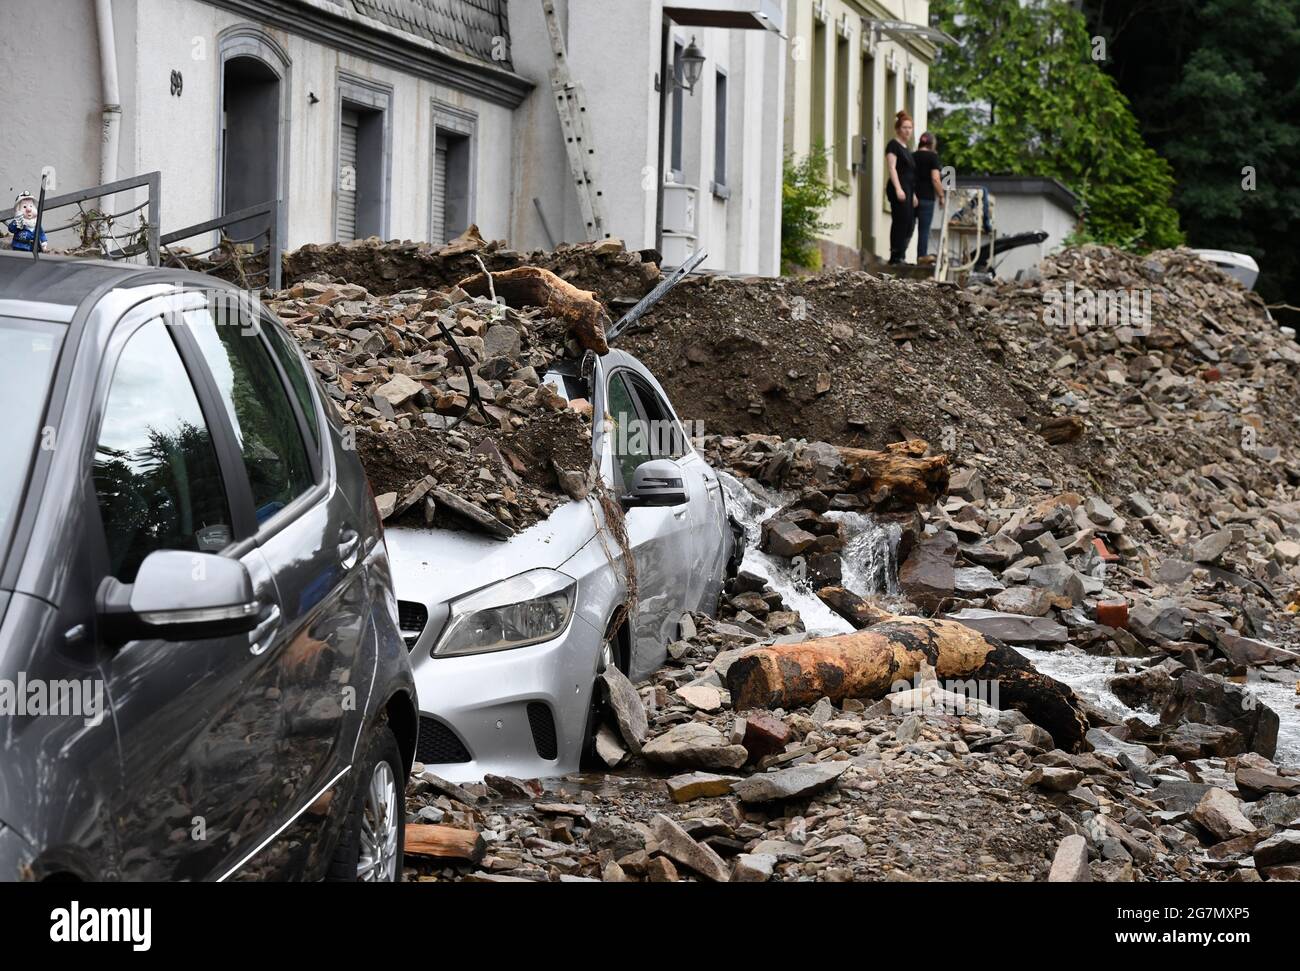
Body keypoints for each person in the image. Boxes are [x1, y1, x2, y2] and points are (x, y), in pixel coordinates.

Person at [885, 111, 917, 264]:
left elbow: (910, 173)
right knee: (900, 220)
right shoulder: (893, 145)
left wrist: (914, 194)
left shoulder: (907, 148)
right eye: (905, 127)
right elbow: (892, 168)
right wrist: (898, 189)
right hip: (898, 187)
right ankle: (895, 255)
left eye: (910, 128)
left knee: (910, 222)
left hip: (909, 190)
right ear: (898, 129)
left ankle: (902, 254)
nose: (908, 130)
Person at [913, 132, 945, 260]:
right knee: (924, 229)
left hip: (912, 196)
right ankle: (921, 256)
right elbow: (935, 179)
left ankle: (900, 255)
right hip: (927, 198)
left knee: (908, 227)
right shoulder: (933, 157)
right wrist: (941, 195)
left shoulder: (912, 156)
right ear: (932, 144)